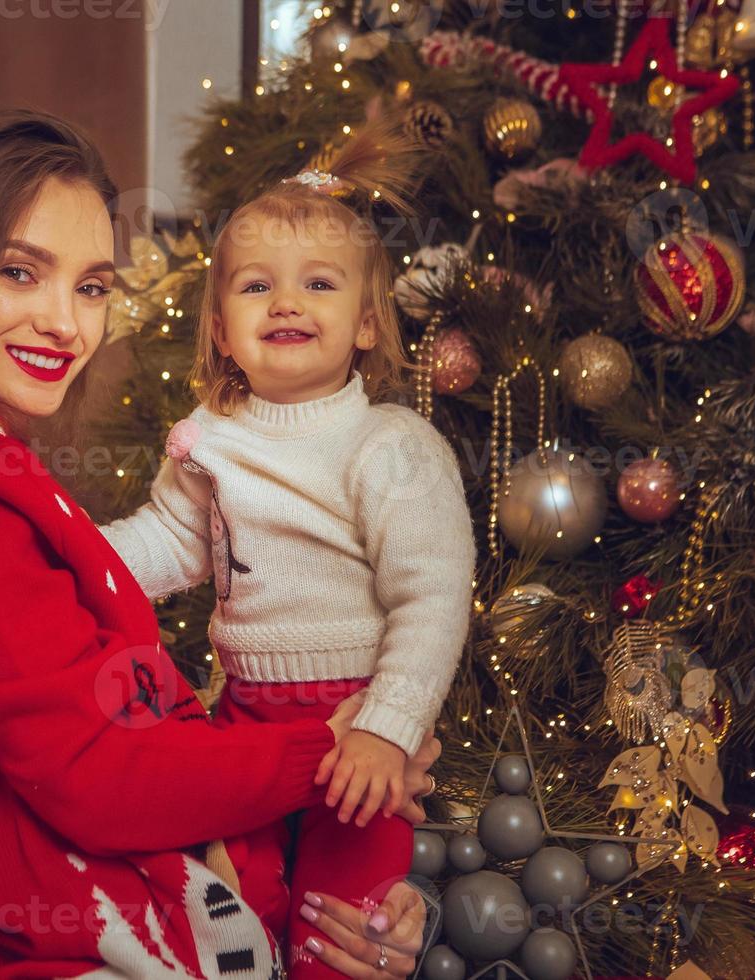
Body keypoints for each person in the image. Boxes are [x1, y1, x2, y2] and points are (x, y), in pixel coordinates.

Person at [0, 109, 440, 978]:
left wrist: (357, 915)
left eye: (90, 287)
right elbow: (98, 777)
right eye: (20, 272)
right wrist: (334, 756)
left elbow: (135, 743)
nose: (65, 324)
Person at [98, 117, 475, 976]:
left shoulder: (390, 445)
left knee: (341, 927)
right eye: (257, 287)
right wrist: (66, 553)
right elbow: (166, 543)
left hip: (355, 728)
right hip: (242, 720)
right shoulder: (212, 437)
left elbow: (433, 597)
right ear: (222, 330)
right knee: (229, 907)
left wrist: (387, 726)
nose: (287, 302)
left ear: (370, 323)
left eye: (318, 284)